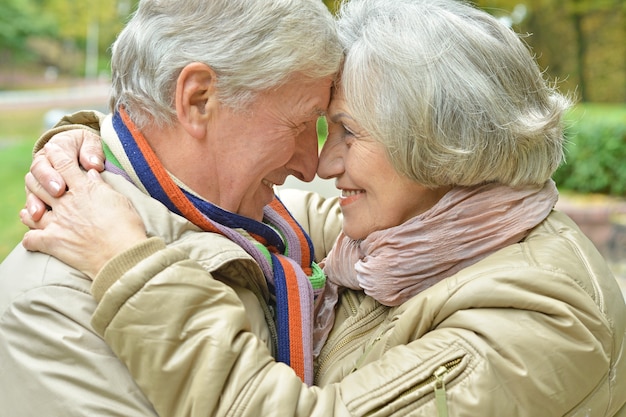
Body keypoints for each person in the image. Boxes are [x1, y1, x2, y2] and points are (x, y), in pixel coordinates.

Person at [20, 0, 626, 415]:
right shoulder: (436, 230)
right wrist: (89, 150)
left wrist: (130, 263)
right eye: (312, 126)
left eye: (346, 132)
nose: (321, 165)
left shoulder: (543, 314)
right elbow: (259, 211)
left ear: (440, 152)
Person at [0, 0, 343, 415]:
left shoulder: (247, 217)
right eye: (302, 123)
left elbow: (388, 219)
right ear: (198, 99)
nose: (312, 166)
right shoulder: (55, 309)